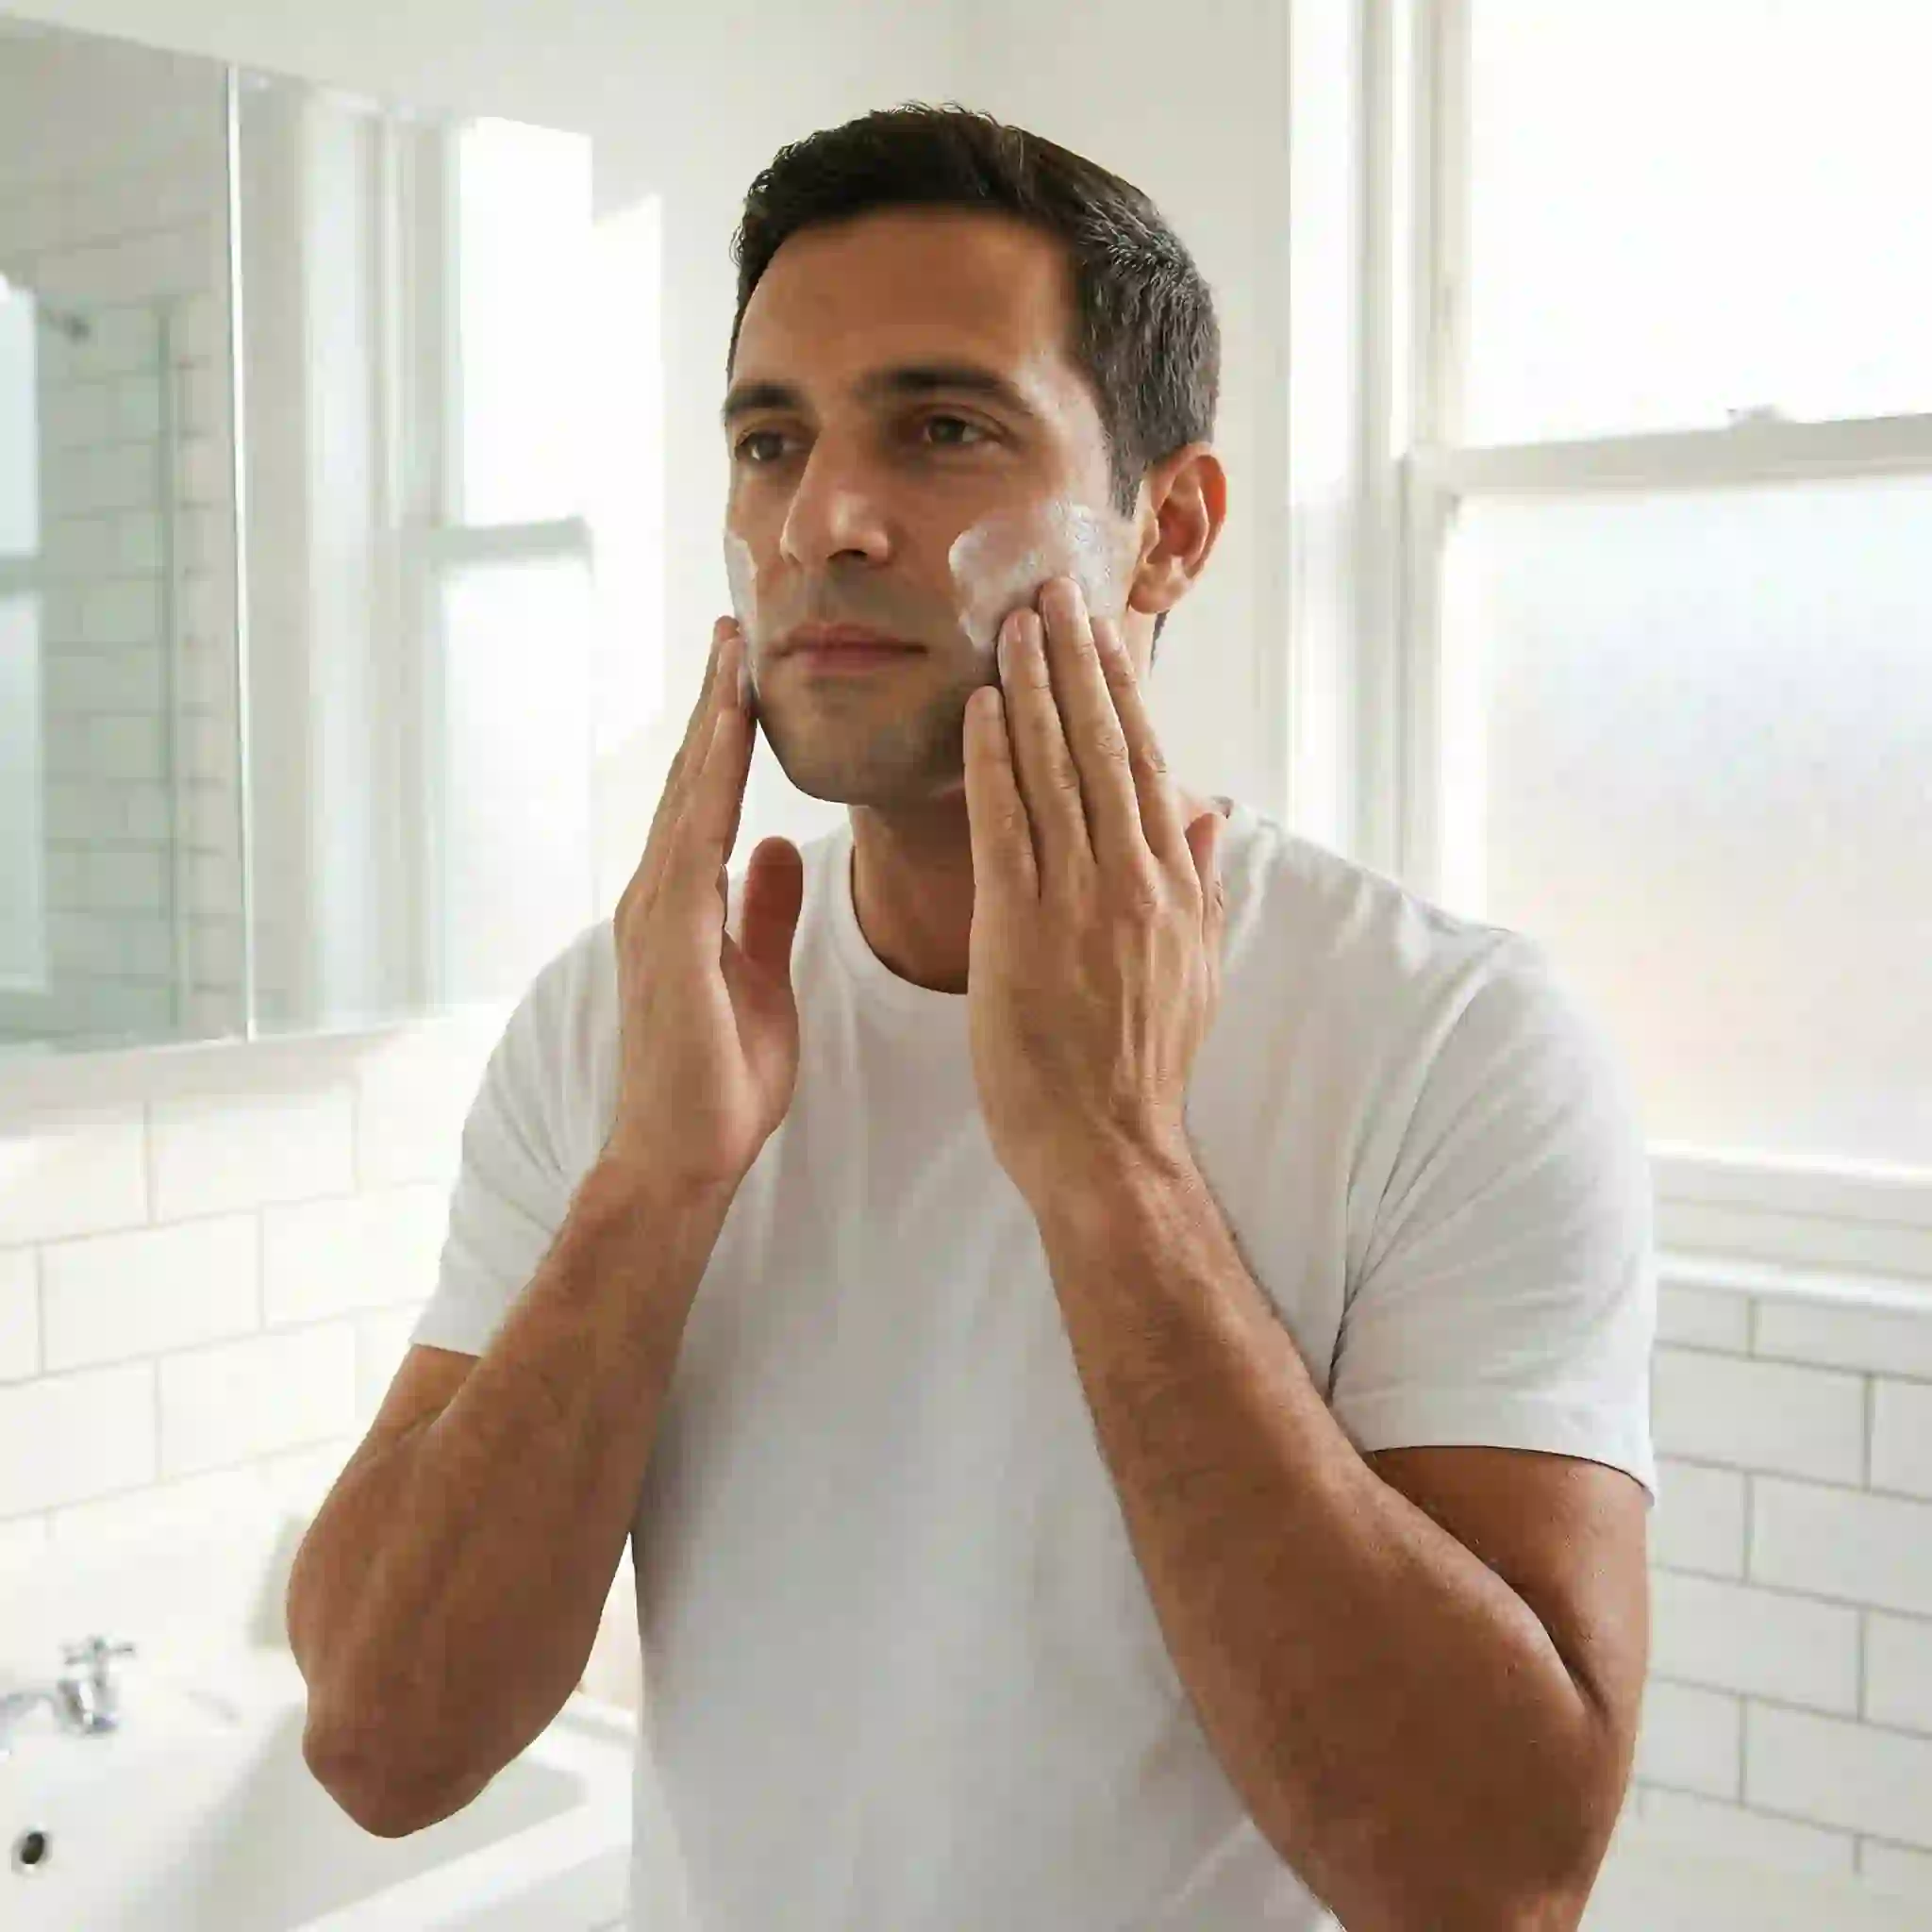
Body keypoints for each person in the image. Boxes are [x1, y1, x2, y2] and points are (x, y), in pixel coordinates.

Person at [287, 105, 1657, 1930]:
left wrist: (1111, 1166)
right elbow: (384, 1746)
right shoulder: (622, 1030)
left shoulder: (1447, 1045)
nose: (822, 520)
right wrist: (655, 1184)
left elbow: (1495, 1877)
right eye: (770, 441)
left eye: (942, 429)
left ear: (1168, 528)